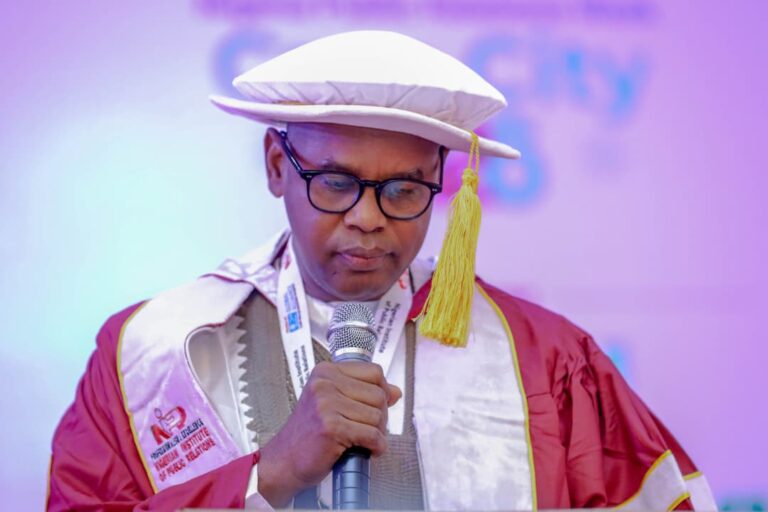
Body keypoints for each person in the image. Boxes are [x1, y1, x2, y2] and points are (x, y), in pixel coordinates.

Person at [47, 30, 716, 511]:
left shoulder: (547, 360)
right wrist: (267, 477)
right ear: (278, 166)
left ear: (441, 183)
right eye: (336, 183)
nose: (368, 219)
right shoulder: (152, 353)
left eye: (402, 190)